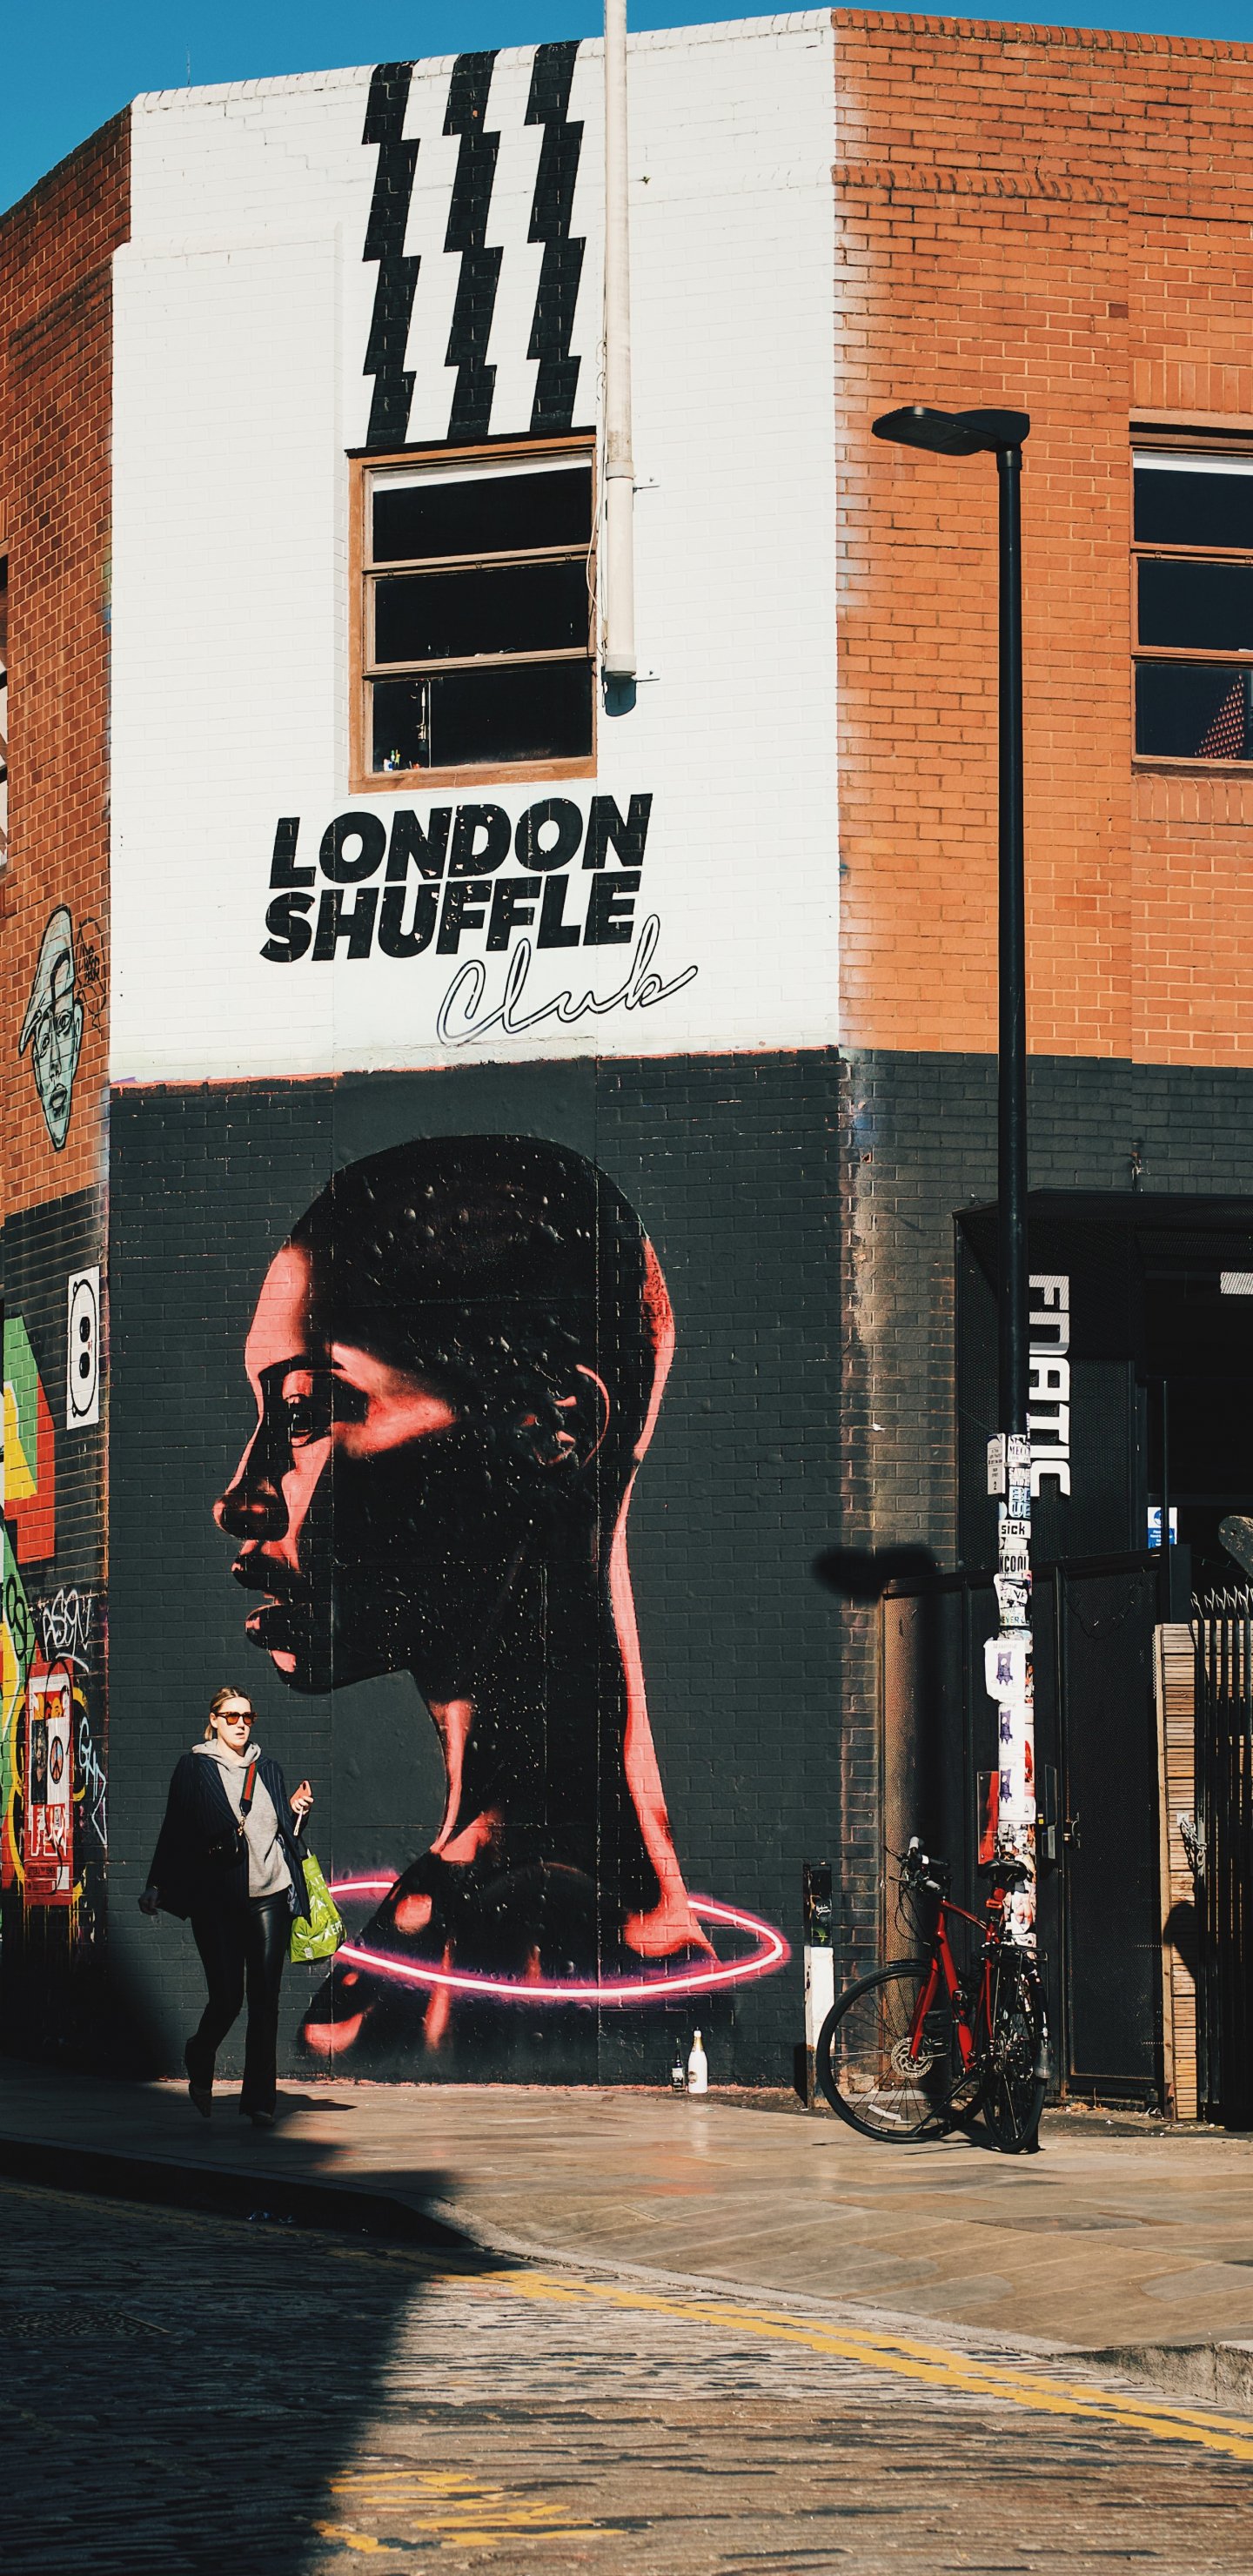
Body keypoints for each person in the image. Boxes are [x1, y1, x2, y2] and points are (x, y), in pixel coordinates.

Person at [214, 1134, 711, 2067]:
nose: (239, 1498)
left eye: (310, 1409)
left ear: (551, 1427)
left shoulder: (532, 1932)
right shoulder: (474, 1916)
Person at [139, 1687, 313, 2123]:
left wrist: (296, 1810)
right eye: (231, 1716)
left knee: (265, 1999)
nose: (240, 1724)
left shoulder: (267, 1768)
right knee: (228, 1998)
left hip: (270, 1894)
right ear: (214, 1720)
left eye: (247, 1716)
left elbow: (280, 1831)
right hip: (217, 1899)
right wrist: (156, 1884)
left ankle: (259, 2102)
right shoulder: (194, 1768)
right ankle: (200, 2051)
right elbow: (175, 1828)